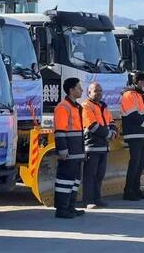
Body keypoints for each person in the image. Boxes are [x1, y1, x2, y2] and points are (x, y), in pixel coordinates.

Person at [121, 72, 144, 201]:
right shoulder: (128, 95)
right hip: (134, 134)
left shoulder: (142, 96)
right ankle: (129, 191)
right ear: (136, 81)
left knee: (140, 164)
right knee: (135, 162)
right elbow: (133, 115)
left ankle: (136, 189)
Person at [54, 77, 86, 218]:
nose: (82, 90)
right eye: (79, 88)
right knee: (64, 181)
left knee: (74, 181)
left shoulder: (77, 107)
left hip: (77, 151)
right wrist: (63, 150)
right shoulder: (63, 107)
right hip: (69, 152)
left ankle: (70, 207)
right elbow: (60, 131)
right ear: (71, 90)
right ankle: (62, 209)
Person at [82, 82, 117, 209]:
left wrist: (113, 132)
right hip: (92, 146)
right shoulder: (86, 106)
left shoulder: (103, 106)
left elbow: (111, 121)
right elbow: (92, 125)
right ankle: (88, 200)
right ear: (89, 92)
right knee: (90, 175)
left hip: (103, 146)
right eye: (96, 90)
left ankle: (97, 198)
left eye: (100, 90)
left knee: (99, 175)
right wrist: (108, 134)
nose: (99, 93)